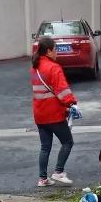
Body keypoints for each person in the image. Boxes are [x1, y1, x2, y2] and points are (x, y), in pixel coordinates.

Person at [31, 36, 80, 188]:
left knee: (45, 147)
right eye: (55, 49)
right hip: (54, 115)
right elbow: (62, 90)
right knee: (67, 142)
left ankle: (42, 178)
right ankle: (58, 172)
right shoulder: (54, 68)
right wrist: (72, 103)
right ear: (48, 51)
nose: (57, 52)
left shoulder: (35, 67)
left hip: (40, 114)